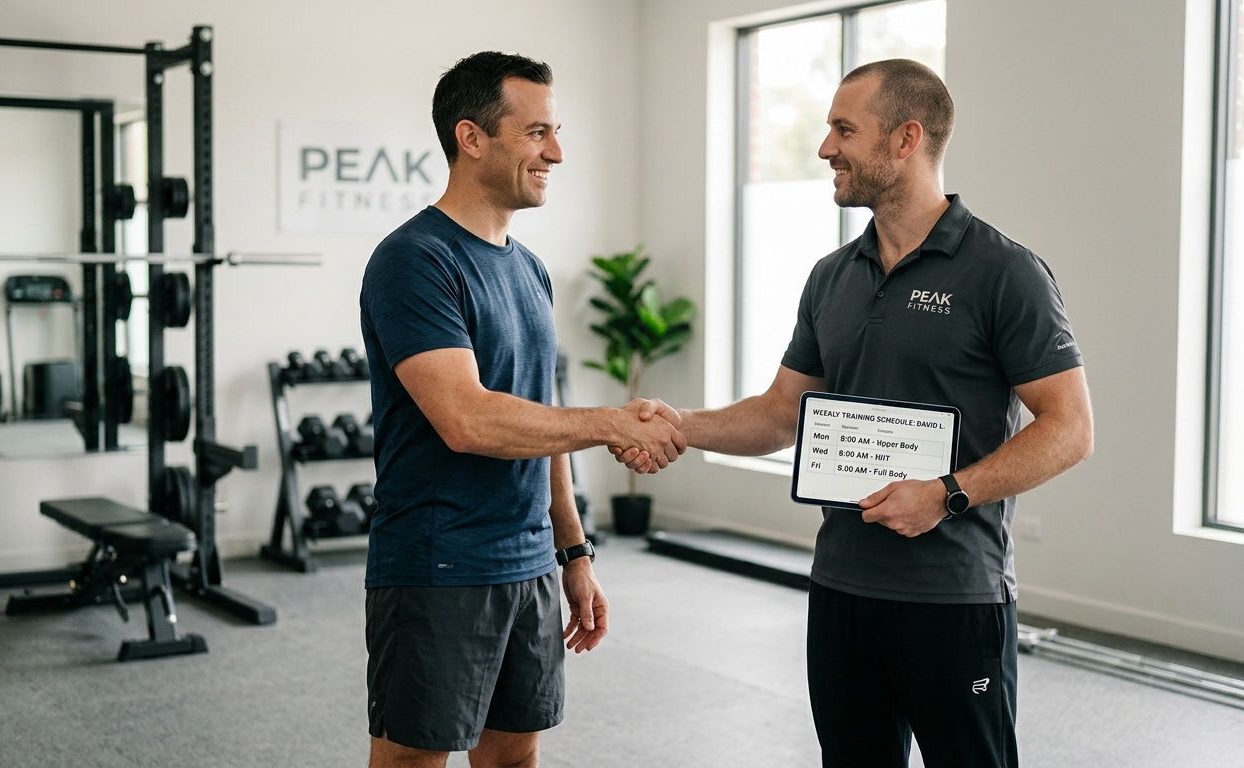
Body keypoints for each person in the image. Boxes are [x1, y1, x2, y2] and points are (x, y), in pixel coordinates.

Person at [619, 59, 1093, 767]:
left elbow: (1071, 428)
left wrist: (947, 493)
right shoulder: (831, 276)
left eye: (844, 129)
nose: (825, 149)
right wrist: (677, 426)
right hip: (841, 589)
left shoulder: (1005, 273)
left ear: (906, 139)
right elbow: (781, 413)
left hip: (954, 596)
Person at [359, 51, 685, 768]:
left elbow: (543, 422)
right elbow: (467, 419)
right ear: (471, 137)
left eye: (555, 132)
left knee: (514, 756)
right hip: (441, 563)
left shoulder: (529, 267)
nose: (556, 154)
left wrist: (573, 553)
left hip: (528, 563)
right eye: (537, 133)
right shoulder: (415, 259)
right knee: (413, 760)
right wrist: (610, 422)